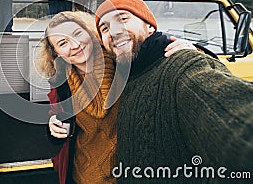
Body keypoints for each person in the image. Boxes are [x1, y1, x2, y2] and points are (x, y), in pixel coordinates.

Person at [95, 0, 253, 183]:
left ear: (150, 26)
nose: (114, 31)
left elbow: (235, 122)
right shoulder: (124, 75)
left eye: (122, 19)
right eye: (105, 28)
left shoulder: (181, 65)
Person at [39, 11, 197, 184]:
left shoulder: (125, 61)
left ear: (91, 33)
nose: (75, 45)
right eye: (63, 43)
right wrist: (53, 129)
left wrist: (189, 52)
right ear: (57, 54)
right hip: (81, 175)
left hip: (129, 175)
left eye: (78, 34)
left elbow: (153, 46)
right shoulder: (61, 83)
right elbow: (59, 135)